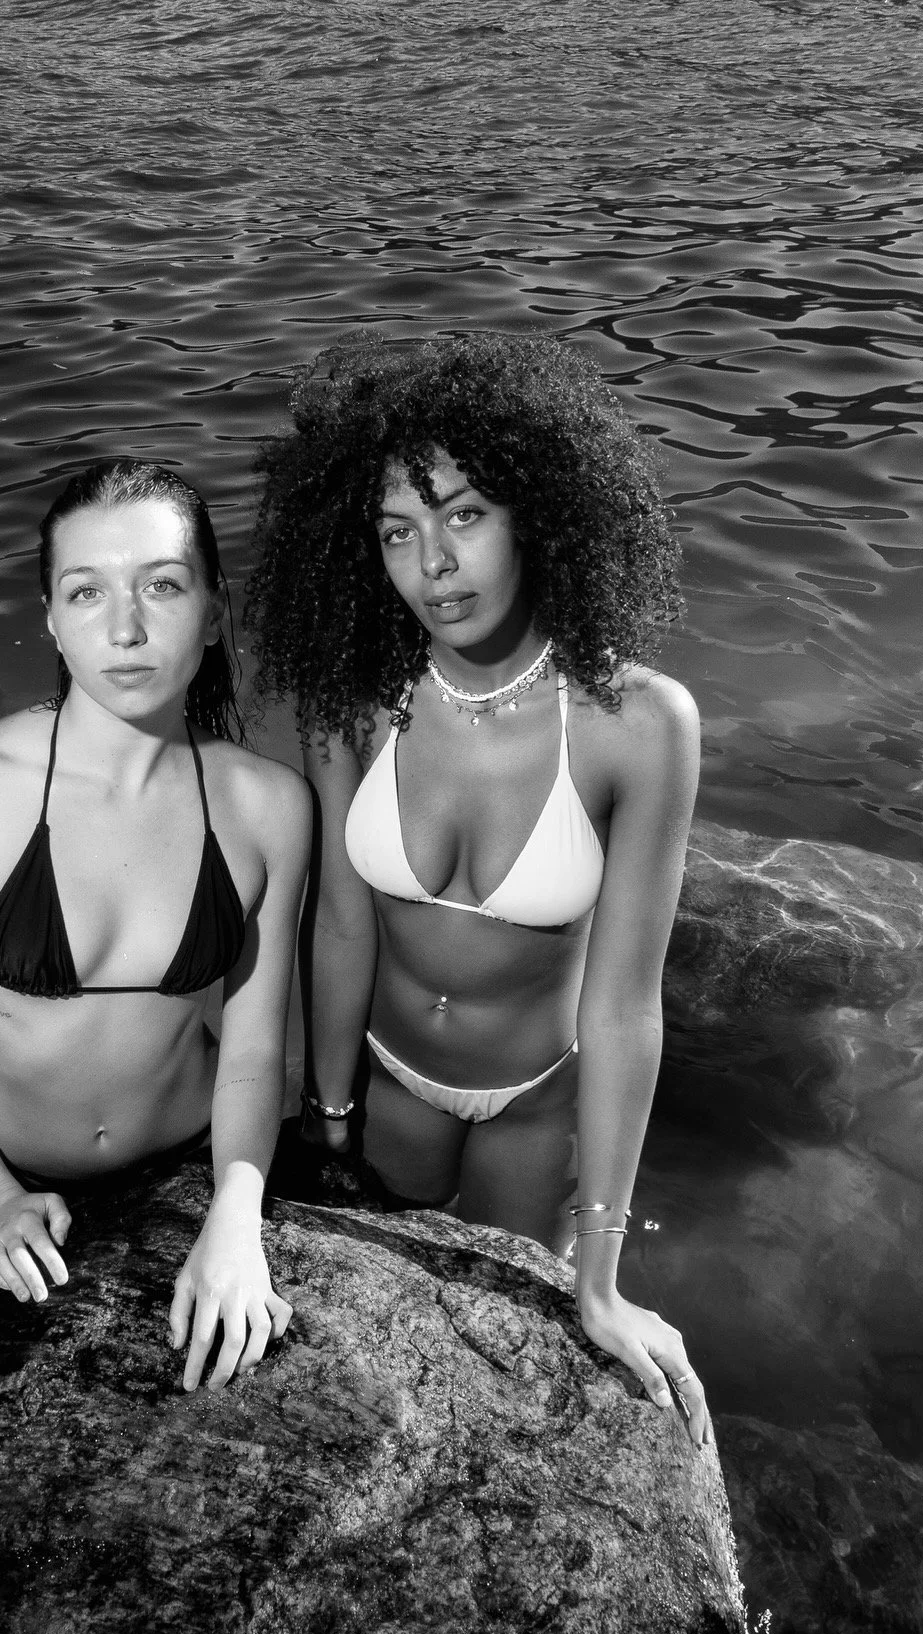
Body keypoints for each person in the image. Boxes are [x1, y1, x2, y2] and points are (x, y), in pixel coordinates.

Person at [246, 331, 711, 1447]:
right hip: (392, 1088)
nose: (433, 564)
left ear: (538, 515)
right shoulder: (359, 702)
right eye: (398, 532)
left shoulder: (638, 725)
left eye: (463, 515)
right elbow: (344, 923)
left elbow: (624, 1006)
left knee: (511, 1390)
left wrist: (603, 1273)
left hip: (535, 1109)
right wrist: (330, 1118)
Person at [0, 458, 310, 1392]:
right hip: (0, 1178)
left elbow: (254, 1050)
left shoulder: (270, 805)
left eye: (162, 585)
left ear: (216, 609)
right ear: (52, 620)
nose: (128, 627)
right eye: (86, 592)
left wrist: (236, 1211)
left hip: (191, 1168)